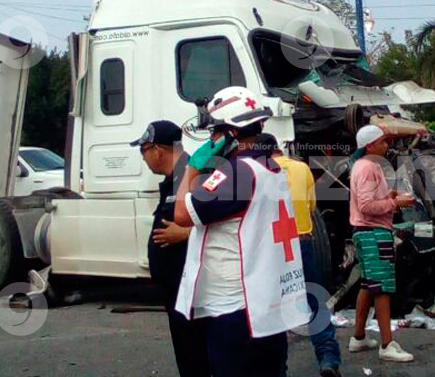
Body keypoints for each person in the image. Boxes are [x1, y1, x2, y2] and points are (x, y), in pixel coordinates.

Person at [173, 87, 310, 377]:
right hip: (264, 306)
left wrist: (191, 167)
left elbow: (182, 214)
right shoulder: (269, 166)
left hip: (235, 310)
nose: (211, 140)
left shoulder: (237, 172)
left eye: (215, 133)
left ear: (231, 134)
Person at [130, 120, 211, 377]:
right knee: (187, 354)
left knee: (197, 354)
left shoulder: (194, 175)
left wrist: (185, 233)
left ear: (157, 150)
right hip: (176, 290)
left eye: (143, 151)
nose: (143, 158)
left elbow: (218, 221)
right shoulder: (173, 179)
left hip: (192, 290)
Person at [261, 134, 343, 377]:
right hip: (301, 242)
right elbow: (311, 206)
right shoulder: (301, 168)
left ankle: (278, 368)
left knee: (273, 307)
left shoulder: (257, 172)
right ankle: (328, 358)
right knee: (315, 300)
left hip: (273, 247)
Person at [347, 124, 415, 363]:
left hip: (364, 232)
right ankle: (387, 344)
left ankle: (358, 336)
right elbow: (366, 206)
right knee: (382, 288)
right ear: (370, 146)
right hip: (374, 233)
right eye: (383, 142)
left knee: (368, 284)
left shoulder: (361, 166)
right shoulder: (368, 168)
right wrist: (395, 204)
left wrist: (389, 197)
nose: (387, 146)